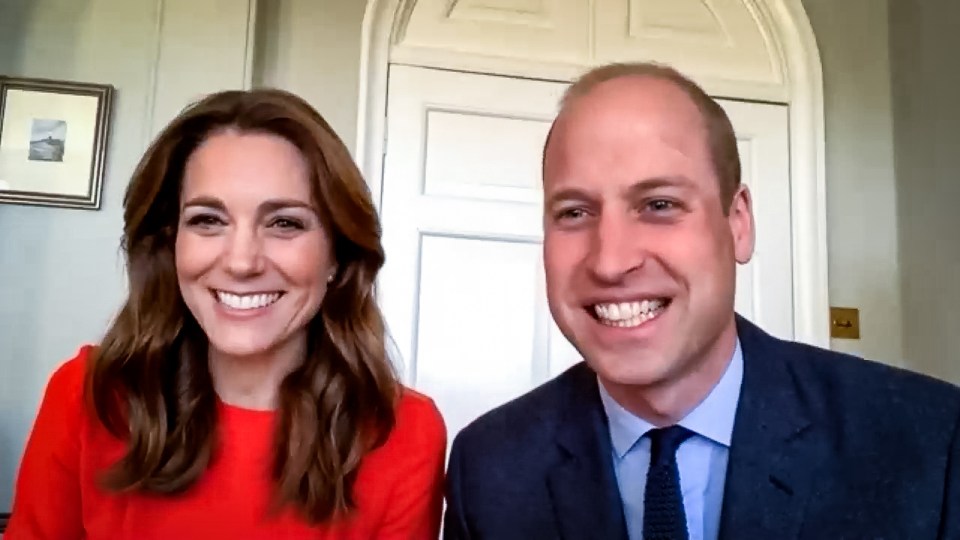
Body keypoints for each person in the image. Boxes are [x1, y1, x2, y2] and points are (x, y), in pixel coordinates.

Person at [443, 62, 960, 540]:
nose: (609, 261)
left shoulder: (929, 443)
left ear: (738, 223)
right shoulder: (487, 468)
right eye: (575, 213)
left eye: (659, 204)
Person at [7, 88, 446, 539]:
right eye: (207, 220)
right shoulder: (87, 396)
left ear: (337, 255)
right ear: (169, 243)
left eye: (285, 223)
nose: (241, 262)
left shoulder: (406, 433)